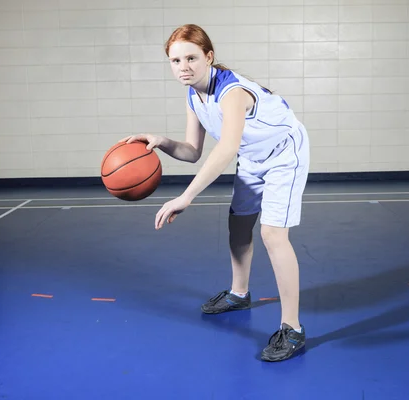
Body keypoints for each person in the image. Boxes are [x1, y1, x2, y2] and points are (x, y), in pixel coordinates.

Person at [123, 24, 310, 362]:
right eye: (176, 60)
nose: (184, 66)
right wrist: (161, 142)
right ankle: (239, 294)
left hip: (285, 152)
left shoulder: (232, 91)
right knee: (238, 225)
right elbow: (193, 151)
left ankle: (292, 329)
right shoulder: (193, 94)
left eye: (191, 58)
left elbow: (225, 148)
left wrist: (186, 196)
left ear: (208, 57)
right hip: (254, 155)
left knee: (272, 235)